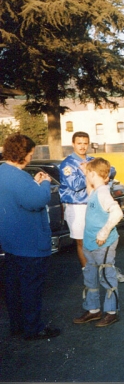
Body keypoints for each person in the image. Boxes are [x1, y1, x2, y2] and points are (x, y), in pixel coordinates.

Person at [0, 134, 61, 340]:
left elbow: (20, 196)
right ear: (22, 154)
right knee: (30, 290)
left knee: (13, 289)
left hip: (10, 243)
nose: (31, 158)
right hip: (30, 244)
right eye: (30, 153)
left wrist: (32, 184)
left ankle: (17, 326)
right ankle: (33, 328)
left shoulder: (2, 172)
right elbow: (35, 201)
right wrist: (43, 184)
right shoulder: (19, 176)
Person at [60, 132, 124, 283]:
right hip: (77, 206)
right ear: (73, 144)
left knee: (103, 237)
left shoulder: (92, 160)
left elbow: (110, 170)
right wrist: (88, 173)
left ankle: (108, 270)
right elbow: (75, 185)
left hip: (95, 204)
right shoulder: (67, 163)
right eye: (79, 143)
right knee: (82, 241)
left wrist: (93, 172)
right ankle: (90, 273)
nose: (82, 146)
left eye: (85, 143)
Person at [73, 158, 124, 327]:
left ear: (93, 174)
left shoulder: (103, 193)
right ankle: (93, 310)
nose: (86, 177)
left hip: (103, 243)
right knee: (91, 276)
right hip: (90, 243)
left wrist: (104, 231)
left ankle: (111, 312)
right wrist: (85, 170)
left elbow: (117, 213)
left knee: (106, 276)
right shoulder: (96, 190)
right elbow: (90, 187)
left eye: (88, 174)